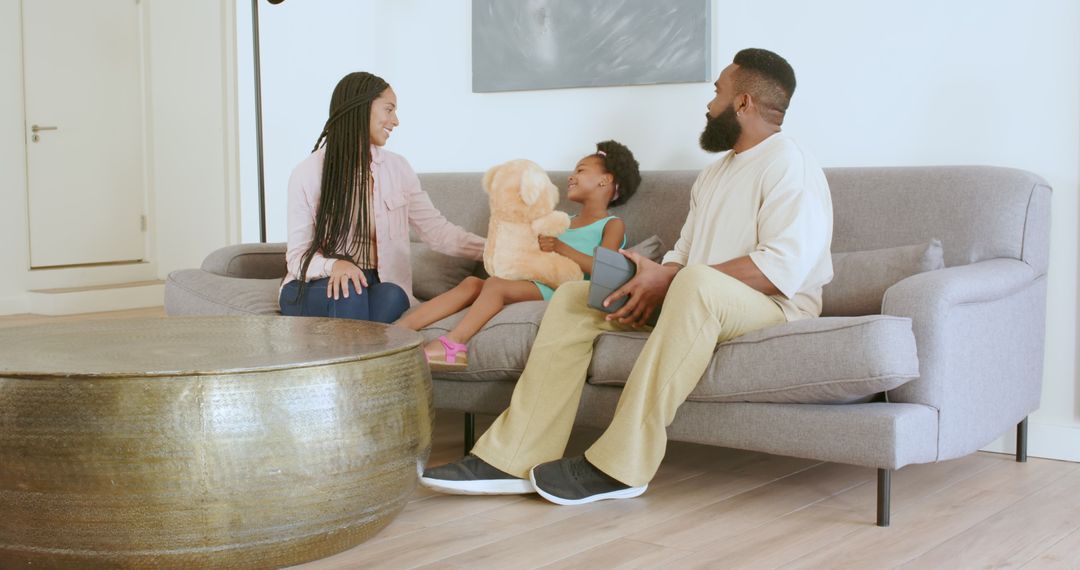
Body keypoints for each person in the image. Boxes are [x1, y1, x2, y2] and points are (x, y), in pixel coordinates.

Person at [420, 48, 834, 504]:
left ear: (743, 104)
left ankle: (621, 467)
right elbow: (683, 253)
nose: (709, 102)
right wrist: (653, 276)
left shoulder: (789, 162)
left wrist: (673, 280)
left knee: (694, 284)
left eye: (718, 92)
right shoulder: (714, 175)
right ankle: (512, 457)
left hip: (774, 306)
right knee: (577, 297)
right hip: (697, 299)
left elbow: (781, 269)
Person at [397, 141, 641, 370]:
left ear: (605, 180)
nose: (571, 176)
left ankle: (453, 345)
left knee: (495, 286)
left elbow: (604, 270)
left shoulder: (612, 224)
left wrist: (559, 248)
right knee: (472, 283)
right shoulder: (564, 221)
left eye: (581, 170)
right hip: (539, 280)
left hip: (566, 290)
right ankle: (396, 334)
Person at [280, 72, 485, 323]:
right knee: (348, 292)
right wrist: (335, 266)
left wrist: (497, 251)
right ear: (362, 107)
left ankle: (350, 357)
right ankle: (361, 359)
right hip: (312, 287)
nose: (395, 120)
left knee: (394, 295)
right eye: (389, 109)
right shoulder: (309, 173)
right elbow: (297, 258)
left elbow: (439, 232)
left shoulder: (397, 169)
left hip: (373, 283)